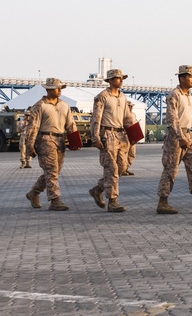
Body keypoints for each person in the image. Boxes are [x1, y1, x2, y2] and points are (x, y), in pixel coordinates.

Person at [156, 65, 192, 214]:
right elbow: (172, 118)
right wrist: (180, 137)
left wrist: (187, 136)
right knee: (170, 170)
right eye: (190, 76)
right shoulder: (174, 95)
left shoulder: (189, 95)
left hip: (189, 135)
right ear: (181, 78)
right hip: (176, 137)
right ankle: (163, 202)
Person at [23, 78, 79, 211]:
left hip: (60, 141)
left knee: (54, 172)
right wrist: (30, 147)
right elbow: (33, 128)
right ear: (48, 89)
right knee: (52, 171)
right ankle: (55, 200)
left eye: (60, 88)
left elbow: (71, 124)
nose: (59, 90)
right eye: (56, 88)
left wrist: (75, 141)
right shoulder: (40, 106)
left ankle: (34, 193)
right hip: (45, 140)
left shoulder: (65, 105)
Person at [89, 68, 137, 213]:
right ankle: (113, 201)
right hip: (108, 135)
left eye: (122, 78)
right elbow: (95, 118)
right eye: (117, 78)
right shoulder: (102, 97)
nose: (121, 80)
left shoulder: (123, 97)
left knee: (122, 167)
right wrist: (96, 137)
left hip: (121, 136)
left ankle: (97, 189)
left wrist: (134, 136)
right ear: (110, 80)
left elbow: (128, 118)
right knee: (111, 169)